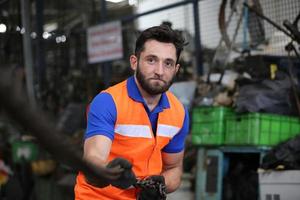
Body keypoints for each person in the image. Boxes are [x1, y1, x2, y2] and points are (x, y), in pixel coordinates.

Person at [74, 24, 190, 200]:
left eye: (168, 63)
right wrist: (110, 172)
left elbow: (174, 169)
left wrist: (160, 184)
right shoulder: (108, 102)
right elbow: (93, 158)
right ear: (134, 62)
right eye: (151, 60)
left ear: (176, 69)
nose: (159, 71)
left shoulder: (179, 113)